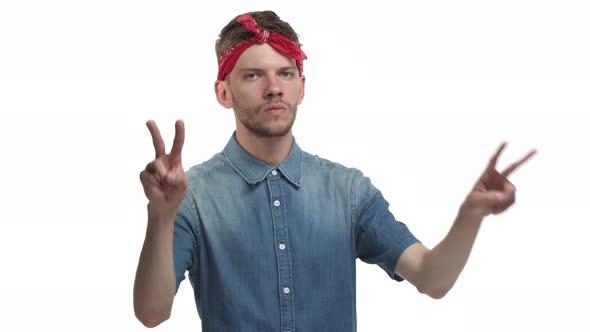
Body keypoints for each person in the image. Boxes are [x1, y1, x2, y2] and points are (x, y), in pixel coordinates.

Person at [133, 10, 536, 331]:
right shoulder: (194, 196)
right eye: (253, 75)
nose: (274, 88)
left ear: (301, 87)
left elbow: (432, 279)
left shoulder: (348, 192)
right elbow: (152, 313)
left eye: (285, 73)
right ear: (224, 92)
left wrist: (471, 215)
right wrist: (161, 215)